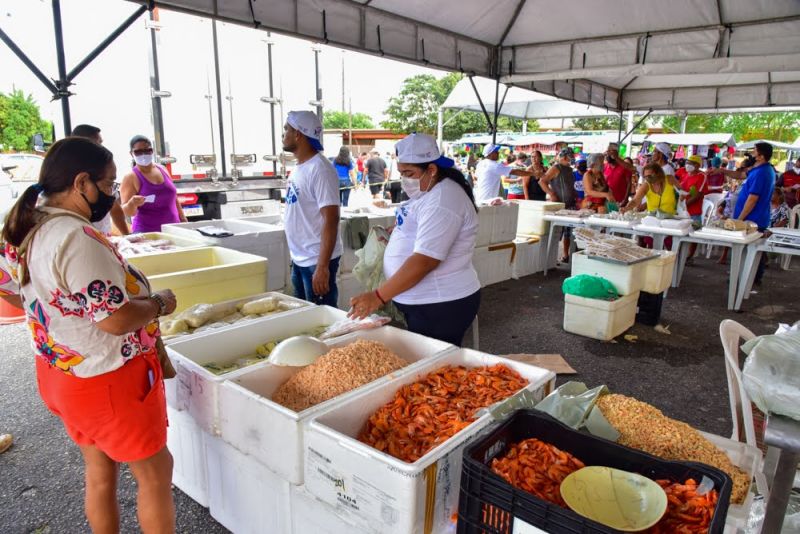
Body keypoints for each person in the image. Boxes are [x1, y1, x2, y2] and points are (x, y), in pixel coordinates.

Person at [0, 137, 177, 533]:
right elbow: (114, 320)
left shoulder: (27, 224)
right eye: (110, 183)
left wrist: (54, 308)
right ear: (82, 183)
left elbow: (9, 287)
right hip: (108, 380)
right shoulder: (76, 238)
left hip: (62, 373)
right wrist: (159, 304)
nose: (113, 192)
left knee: (99, 470)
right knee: (155, 475)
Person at [348, 133, 480, 345]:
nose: (404, 180)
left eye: (409, 173)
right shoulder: (431, 189)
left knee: (435, 369)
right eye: (401, 173)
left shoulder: (443, 199)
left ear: (432, 169)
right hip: (425, 302)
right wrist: (398, 234)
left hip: (440, 304)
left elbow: (425, 261)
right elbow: (422, 225)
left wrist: (378, 297)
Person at [282, 111, 343, 306]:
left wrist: (322, 266)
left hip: (315, 260)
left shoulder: (320, 169)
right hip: (301, 258)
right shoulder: (300, 167)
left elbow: (331, 219)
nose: (284, 134)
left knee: (321, 322)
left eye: (287, 129)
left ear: (298, 134)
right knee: (303, 317)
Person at [71, 124, 130, 236]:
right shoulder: (74, 231)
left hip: (102, 237)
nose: (102, 147)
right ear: (81, 183)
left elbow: (115, 208)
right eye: (98, 143)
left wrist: (127, 235)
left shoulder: (103, 169)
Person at [120, 136, 187, 233]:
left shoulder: (162, 169)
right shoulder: (130, 177)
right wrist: (132, 203)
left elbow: (174, 198)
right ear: (131, 154)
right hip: (147, 233)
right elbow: (126, 211)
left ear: (152, 151)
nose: (143, 154)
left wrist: (183, 219)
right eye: (138, 152)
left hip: (173, 230)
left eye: (147, 150)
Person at [541, 148, 579, 261]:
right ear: (565, 157)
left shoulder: (569, 169)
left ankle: (566, 254)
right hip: (560, 206)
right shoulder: (556, 167)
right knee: (557, 232)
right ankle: (551, 257)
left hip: (570, 205)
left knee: (569, 232)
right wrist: (551, 193)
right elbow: (542, 181)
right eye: (570, 157)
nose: (572, 159)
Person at [474, 144, 538, 204]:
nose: (498, 153)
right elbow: (515, 171)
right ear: (490, 154)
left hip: (479, 199)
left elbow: (476, 177)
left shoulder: (480, 164)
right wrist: (534, 174)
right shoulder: (495, 165)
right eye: (496, 151)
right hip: (488, 201)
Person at [680, 155, 708, 261]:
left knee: (694, 234)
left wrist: (685, 205)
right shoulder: (686, 174)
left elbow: (699, 195)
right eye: (687, 162)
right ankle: (682, 253)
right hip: (683, 210)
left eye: (691, 163)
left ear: (697, 165)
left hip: (694, 211)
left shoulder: (702, 176)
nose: (688, 165)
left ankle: (690, 256)